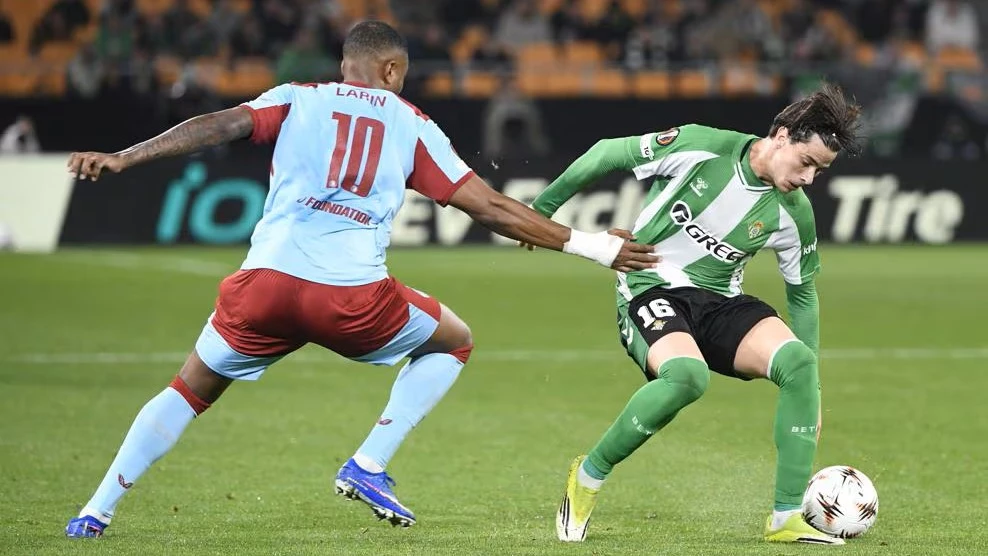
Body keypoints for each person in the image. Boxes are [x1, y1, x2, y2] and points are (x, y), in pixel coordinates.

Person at [63, 20, 657, 538]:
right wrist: (594, 246)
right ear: (392, 69)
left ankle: (95, 511)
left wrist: (126, 157)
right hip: (351, 300)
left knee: (189, 390)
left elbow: (219, 124)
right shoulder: (409, 122)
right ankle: (369, 463)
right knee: (454, 339)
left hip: (262, 288)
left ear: (345, 67)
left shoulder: (295, 98)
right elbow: (491, 207)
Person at [526, 83, 862, 545]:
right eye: (807, 163)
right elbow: (606, 153)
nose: (809, 179)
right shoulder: (702, 147)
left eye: (820, 171)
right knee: (687, 376)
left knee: (800, 365)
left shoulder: (794, 213)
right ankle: (586, 478)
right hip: (648, 286)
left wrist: (816, 391)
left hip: (720, 300)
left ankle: (785, 517)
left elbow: (803, 295)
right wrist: (542, 214)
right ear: (781, 136)